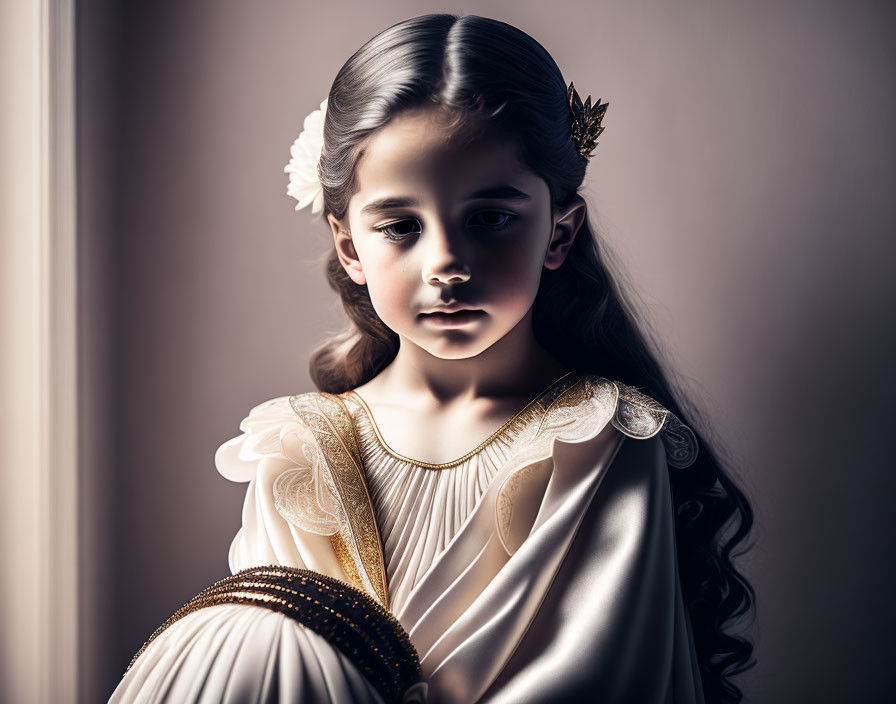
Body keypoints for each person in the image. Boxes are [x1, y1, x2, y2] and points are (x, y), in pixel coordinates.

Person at [108, 13, 755, 704]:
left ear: (558, 234)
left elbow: (597, 673)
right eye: (401, 227)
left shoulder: (599, 439)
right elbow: (272, 663)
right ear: (350, 246)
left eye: (489, 218)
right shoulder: (297, 453)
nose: (446, 263)